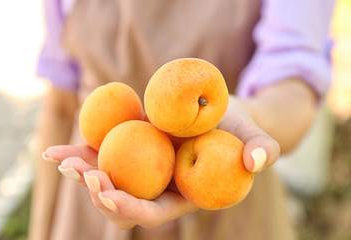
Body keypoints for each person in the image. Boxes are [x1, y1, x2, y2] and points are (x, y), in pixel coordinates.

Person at [28, 0, 335, 239]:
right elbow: (60, 102)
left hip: (227, 199)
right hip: (93, 198)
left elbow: (295, 83)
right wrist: (40, 232)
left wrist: (252, 116)